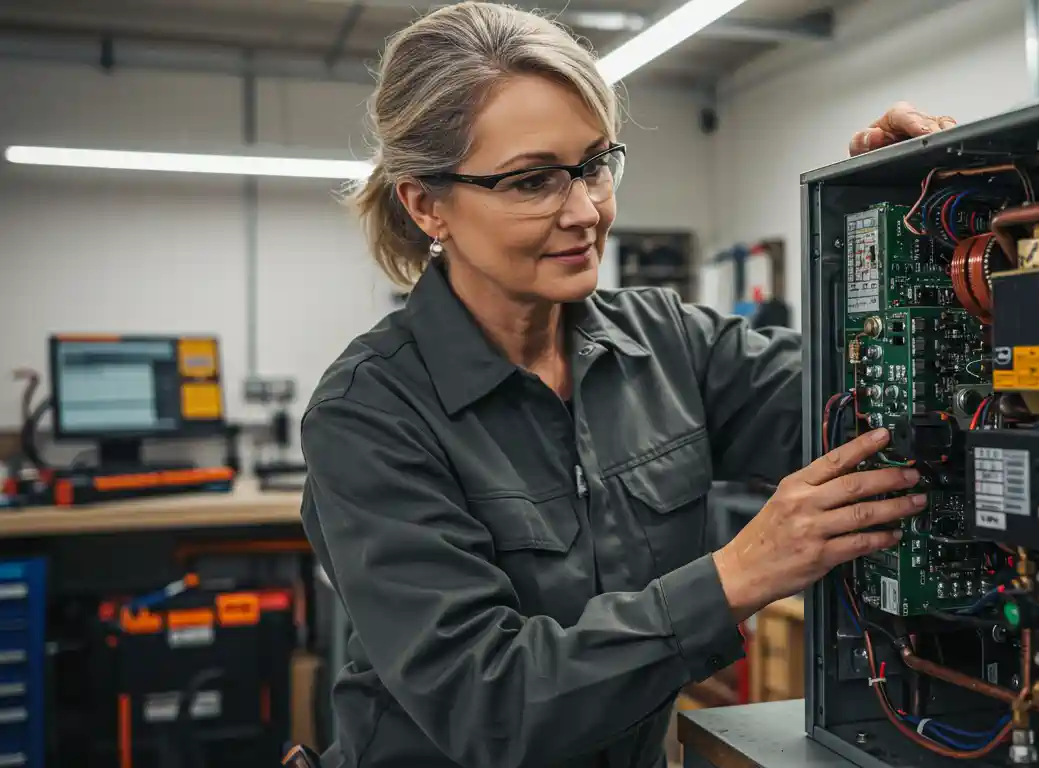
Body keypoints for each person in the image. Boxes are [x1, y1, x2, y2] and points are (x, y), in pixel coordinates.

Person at [299, 3, 957, 767]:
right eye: (532, 181)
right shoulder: (368, 416)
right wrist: (740, 573)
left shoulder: (668, 342)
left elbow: (879, 405)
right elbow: (492, 707)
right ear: (426, 204)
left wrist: (910, 224)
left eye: (593, 165)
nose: (586, 211)